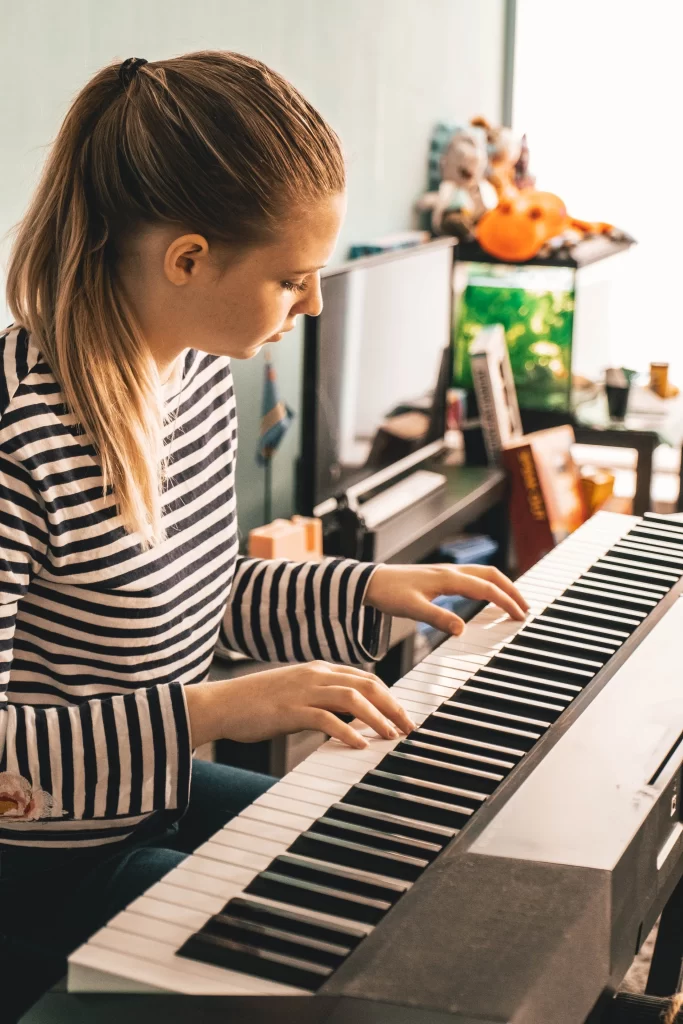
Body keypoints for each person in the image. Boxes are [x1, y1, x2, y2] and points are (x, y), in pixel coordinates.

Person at [0, 51, 528, 1013]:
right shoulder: (18, 438)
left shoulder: (195, 375)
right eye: (293, 280)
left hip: (142, 802)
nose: (313, 306)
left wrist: (364, 587)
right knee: (336, 966)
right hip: (35, 869)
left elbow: (195, 586)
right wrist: (218, 712)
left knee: (413, 870)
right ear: (189, 259)